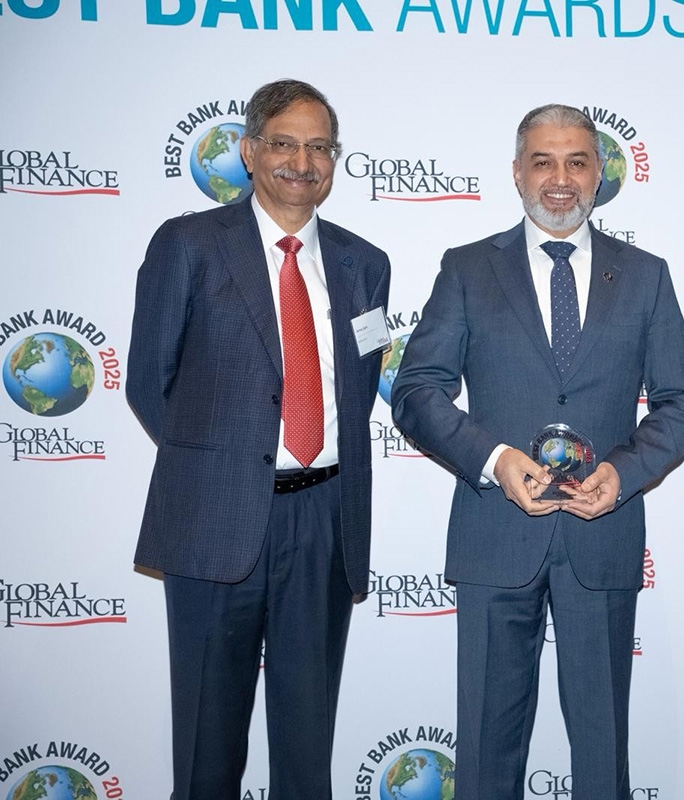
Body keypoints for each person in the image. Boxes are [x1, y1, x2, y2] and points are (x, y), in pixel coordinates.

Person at [392, 103, 684, 799]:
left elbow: (683, 400)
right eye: (542, 161)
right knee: (485, 750)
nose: (559, 178)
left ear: (599, 173)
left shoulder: (645, 274)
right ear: (516, 173)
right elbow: (415, 391)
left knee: (602, 750)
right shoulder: (468, 269)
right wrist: (494, 459)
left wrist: (623, 472)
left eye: (576, 162)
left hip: (602, 536)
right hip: (494, 535)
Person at [128, 79, 390, 799]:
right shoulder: (189, 244)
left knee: (307, 755)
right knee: (206, 754)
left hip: (325, 521)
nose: (302, 162)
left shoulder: (365, 263)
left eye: (319, 147)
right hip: (216, 519)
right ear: (249, 151)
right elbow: (148, 382)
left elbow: (360, 384)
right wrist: (224, 468)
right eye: (284, 144)